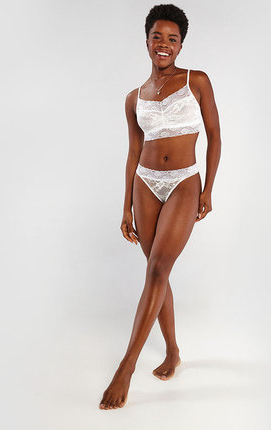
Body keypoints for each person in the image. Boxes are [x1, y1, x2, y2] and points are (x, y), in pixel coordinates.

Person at [99, 3, 221, 410]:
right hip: (145, 185)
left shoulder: (196, 81)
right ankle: (172, 351)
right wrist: (125, 207)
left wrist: (208, 188)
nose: (164, 44)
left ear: (181, 45)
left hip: (185, 181)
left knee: (156, 269)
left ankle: (126, 367)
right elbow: (133, 152)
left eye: (172, 38)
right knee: (157, 270)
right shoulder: (133, 98)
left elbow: (215, 136)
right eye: (157, 37)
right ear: (147, 40)